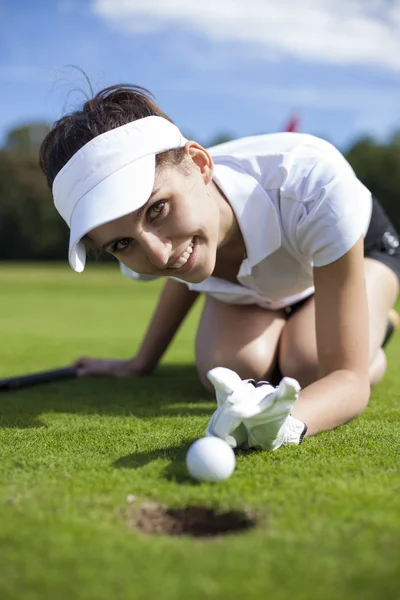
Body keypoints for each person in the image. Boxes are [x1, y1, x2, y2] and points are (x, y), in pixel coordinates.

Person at [39, 84, 400, 450]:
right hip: (261, 285)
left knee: (309, 365)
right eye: (121, 244)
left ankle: (376, 321)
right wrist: (140, 362)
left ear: (199, 164)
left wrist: (285, 423)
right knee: (231, 369)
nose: (159, 256)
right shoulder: (147, 247)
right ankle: (306, 328)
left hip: (358, 255)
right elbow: (180, 272)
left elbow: (347, 379)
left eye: (157, 209)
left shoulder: (311, 182)